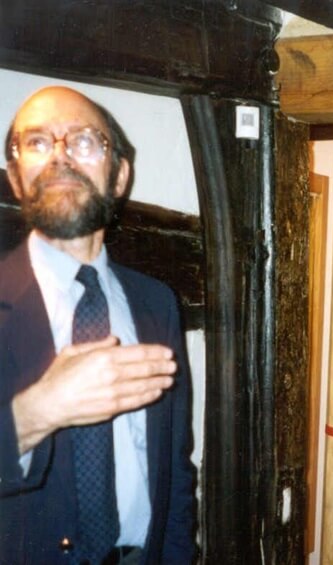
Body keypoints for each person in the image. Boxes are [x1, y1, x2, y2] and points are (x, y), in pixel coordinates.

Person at [0, 86, 196, 564]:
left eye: (84, 141)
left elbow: (173, 472)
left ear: (119, 176)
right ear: (16, 176)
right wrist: (34, 413)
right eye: (38, 142)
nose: (60, 157)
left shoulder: (157, 305)